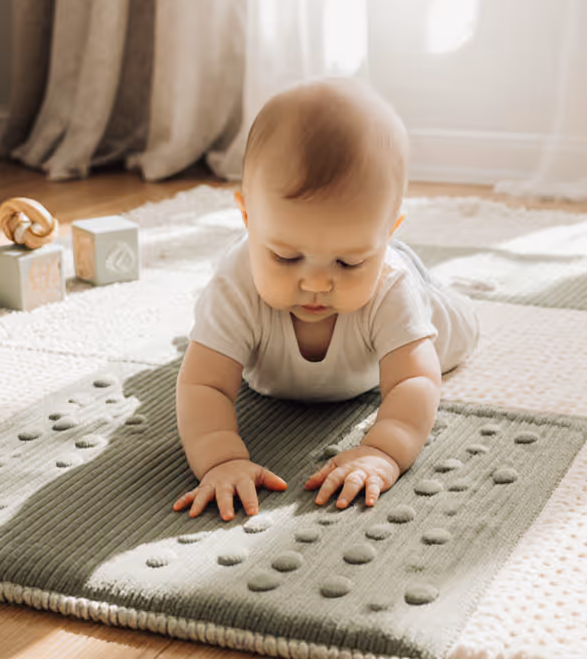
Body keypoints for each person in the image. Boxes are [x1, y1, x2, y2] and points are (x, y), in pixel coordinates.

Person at [172, 77, 479, 522]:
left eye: (348, 262)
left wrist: (382, 451)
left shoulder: (391, 287)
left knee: (462, 332)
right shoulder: (233, 286)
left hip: (409, 309)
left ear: (387, 234)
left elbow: (416, 382)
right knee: (204, 342)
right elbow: (203, 385)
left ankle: (420, 271)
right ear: (246, 219)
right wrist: (220, 459)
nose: (316, 283)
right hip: (264, 324)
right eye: (286, 256)